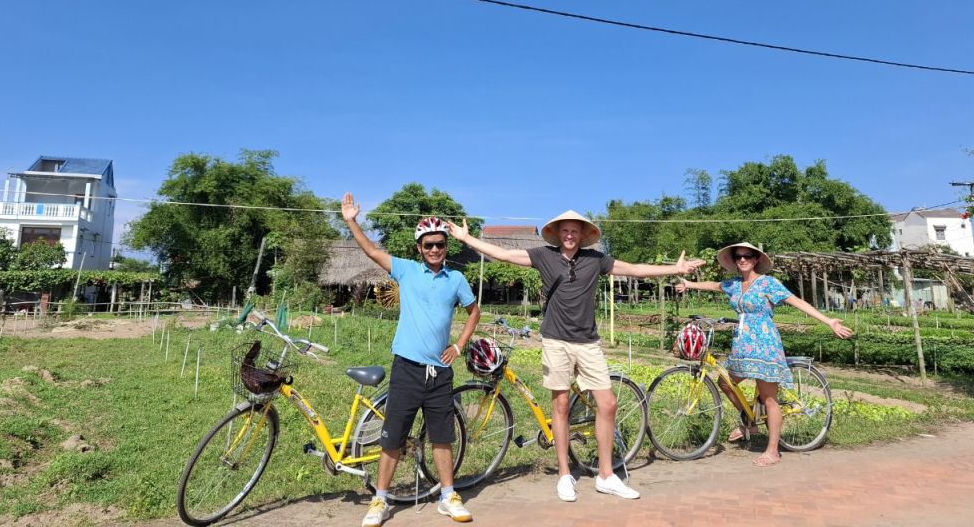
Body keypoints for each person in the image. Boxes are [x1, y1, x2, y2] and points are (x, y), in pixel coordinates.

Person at [448, 210, 703, 502]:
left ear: (582, 235)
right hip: (556, 341)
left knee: (608, 404)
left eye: (575, 231)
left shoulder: (596, 260)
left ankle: (606, 476)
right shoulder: (543, 256)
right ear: (558, 234)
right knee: (561, 406)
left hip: (588, 342)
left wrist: (674, 269)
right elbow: (504, 255)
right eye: (565, 231)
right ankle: (564, 474)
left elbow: (634, 269)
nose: (570, 236)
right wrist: (467, 239)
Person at [341, 193, 480, 526]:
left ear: (446, 247)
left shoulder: (456, 279)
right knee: (393, 436)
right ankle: (380, 499)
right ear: (419, 247)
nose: (434, 250)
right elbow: (372, 251)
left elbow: (474, 311)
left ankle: (448, 496)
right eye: (428, 245)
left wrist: (459, 345)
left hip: (440, 371)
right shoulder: (406, 270)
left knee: (442, 437)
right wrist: (351, 221)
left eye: (440, 244)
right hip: (406, 368)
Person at [675, 242, 853, 467]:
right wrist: (688, 284)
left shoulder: (768, 283)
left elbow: (796, 301)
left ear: (756, 259)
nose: (742, 259)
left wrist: (828, 321)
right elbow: (714, 285)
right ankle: (749, 422)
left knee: (769, 398)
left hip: (764, 345)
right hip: (742, 345)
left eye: (747, 256)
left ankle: (773, 451)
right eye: (738, 256)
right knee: (725, 382)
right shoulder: (734, 284)